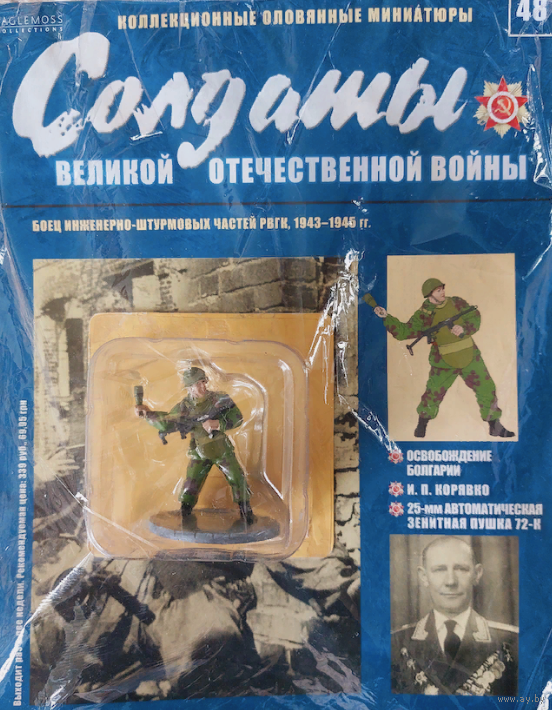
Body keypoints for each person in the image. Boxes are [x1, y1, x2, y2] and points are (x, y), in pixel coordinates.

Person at [373, 278, 515, 438]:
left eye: (442, 289)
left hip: (469, 354)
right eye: (438, 290)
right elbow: (404, 332)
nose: (443, 292)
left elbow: (474, 316)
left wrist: (464, 328)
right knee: (433, 393)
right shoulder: (424, 314)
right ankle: (422, 424)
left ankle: (495, 426)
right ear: (429, 294)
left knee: (486, 388)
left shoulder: (456, 303)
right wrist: (386, 317)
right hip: (443, 360)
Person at [391, 536, 518, 696]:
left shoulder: (513, 643)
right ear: (424, 576)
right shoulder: (395, 644)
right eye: (439, 569)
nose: (450, 581)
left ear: (477, 574)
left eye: (461, 569)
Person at [135, 366, 254, 524]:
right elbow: (168, 423)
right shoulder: (184, 407)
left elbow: (237, 417)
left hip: (222, 449)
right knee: (191, 484)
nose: (202, 386)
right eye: (198, 384)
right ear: (189, 388)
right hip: (199, 452)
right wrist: (148, 414)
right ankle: (185, 513)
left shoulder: (219, 399)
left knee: (237, 478)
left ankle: (246, 511)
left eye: (203, 382)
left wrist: (218, 423)